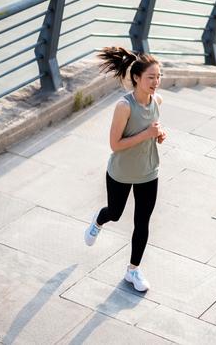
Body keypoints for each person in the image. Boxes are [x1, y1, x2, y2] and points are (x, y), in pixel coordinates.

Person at [84, 46, 166, 292]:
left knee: (142, 222)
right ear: (137, 78)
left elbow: (152, 130)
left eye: (159, 76)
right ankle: (99, 220)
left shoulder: (157, 101)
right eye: (151, 77)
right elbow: (115, 144)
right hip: (121, 172)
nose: (156, 82)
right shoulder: (124, 106)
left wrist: (158, 135)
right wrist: (147, 134)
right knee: (115, 212)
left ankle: (133, 270)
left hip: (149, 171)